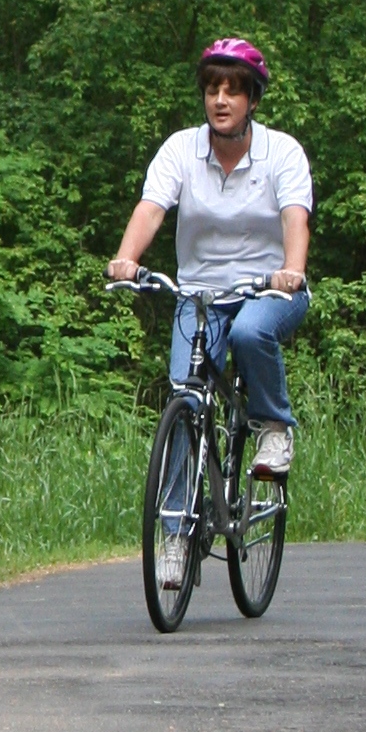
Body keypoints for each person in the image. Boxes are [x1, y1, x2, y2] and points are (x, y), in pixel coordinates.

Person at [107, 36, 311, 589]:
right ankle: (174, 535)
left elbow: (296, 219)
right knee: (184, 396)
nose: (221, 100)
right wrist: (127, 258)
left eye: (234, 90)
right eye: (213, 89)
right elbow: (152, 207)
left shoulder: (282, 153)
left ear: (252, 100)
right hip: (199, 294)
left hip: (269, 291)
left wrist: (291, 269)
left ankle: (272, 424)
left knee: (249, 333)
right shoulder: (180, 150)